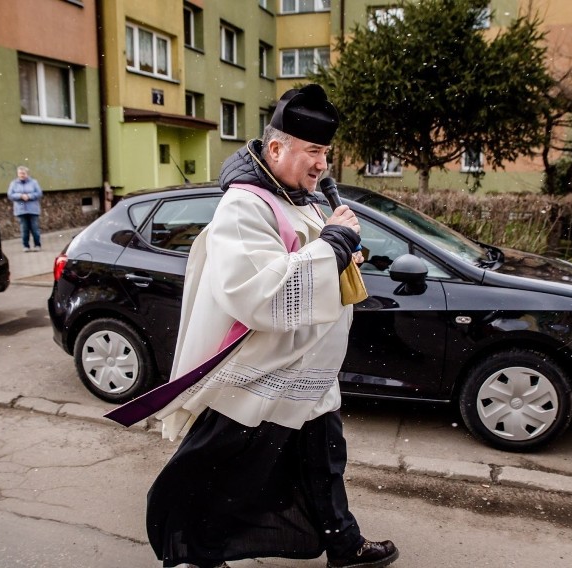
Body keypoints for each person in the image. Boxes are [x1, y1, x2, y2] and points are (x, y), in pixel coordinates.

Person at [145, 84, 399, 568]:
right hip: (264, 374)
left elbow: (308, 258)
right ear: (277, 148)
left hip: (309, 374)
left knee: (324, 463)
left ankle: (344, 547)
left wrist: (341, 254)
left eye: (326, 151)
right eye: (314, 151)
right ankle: (192, 553)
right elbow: (259, 294)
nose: (323, 164)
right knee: (223, 471)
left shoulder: (296, 196)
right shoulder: (245, 207)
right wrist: (332, 248)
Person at [7, 165, 43, 252]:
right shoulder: (14, 183)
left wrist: (29, 196)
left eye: (23, 173)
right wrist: (20, 196)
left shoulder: (34, 182)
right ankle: (26, 246)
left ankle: (37, 245)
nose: (21, 175)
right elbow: (10, 195)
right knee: (24, 229)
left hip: (33, 209)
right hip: (21, 210)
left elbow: (39, 193)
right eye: (20, 173)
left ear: (27, 174)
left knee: (35, 229)